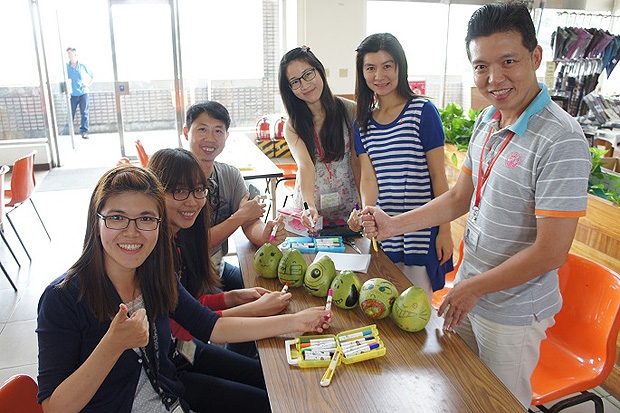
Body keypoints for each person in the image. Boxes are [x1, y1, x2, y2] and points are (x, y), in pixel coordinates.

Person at [360, 2, 591, 407]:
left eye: (508, 61)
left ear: (535, 57)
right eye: (481, 66)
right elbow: (458, 197)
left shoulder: (561, 139)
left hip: (513, 308)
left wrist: (471, 288)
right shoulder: (488, 121)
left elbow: (552, 252)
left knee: (500, 403)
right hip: (471, 289)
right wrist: (393, 225)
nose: (494, 78)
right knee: (458, 388)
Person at [36, 164, 331, 412]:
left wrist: (298, 321)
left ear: (158, 224)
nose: (132, 231)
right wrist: (112, 346)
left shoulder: (155, 274)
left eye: (146, 219)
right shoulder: (62, 298)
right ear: (96, 221)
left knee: (279, 401)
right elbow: (54, 407)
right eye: (116, 218)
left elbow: (211, 327)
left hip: (173, 395)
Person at [148, 147, 290, 357]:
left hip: (185, 348)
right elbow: (188, 326)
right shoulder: (155, 253)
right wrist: (261, 311)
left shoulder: (180, 237)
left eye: (198, 190)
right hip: (174, 359)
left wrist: (233, 297)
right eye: (179, 191)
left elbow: (190, 305)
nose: (192, 201)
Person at [348, 33, 453, 302]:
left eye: (387, 66)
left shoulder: (422, 111)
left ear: (399, 68)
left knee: (416, 309)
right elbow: (368, 180)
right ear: (362, 73)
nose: (379, 75)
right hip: (385, 232)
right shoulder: (362, 123)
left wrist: (444, 230)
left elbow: (438, 178)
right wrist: (366, 215)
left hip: (422, 231)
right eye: (370, 67)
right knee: (385, 303)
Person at [183, 101, 286, 291]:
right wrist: (240, 216)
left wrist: (264, 234)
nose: (210, 138)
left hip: (217, 269)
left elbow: (250, 222)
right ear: (186, 132)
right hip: (184, 280)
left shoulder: (230, 175)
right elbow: (195, 243)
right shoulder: (175, 179)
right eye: (202, 129)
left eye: (218, 131)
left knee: (269, 291)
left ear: (226, 136)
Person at [278, 46, 360, 229]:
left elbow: (357, 161)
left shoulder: (350, 111)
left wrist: (362, 203)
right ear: (289, 89)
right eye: (295, 82)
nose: (305, 85)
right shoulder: (293, 126)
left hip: (348, 208)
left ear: (319, 70)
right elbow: (305, 165)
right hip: (311, 210)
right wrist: (309, 207)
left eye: (308, 74)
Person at [66, 47, 93, 139]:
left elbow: (92, 75)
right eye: (68, 54)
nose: (69, 55)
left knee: (84, 112)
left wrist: (87, 84)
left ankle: (84, 131)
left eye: (70, 53)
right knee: (71, 113)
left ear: (75, 54)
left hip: (83, 93)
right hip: (72, 94)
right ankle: (69, 131)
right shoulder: (66, 66)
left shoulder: (82, 66)